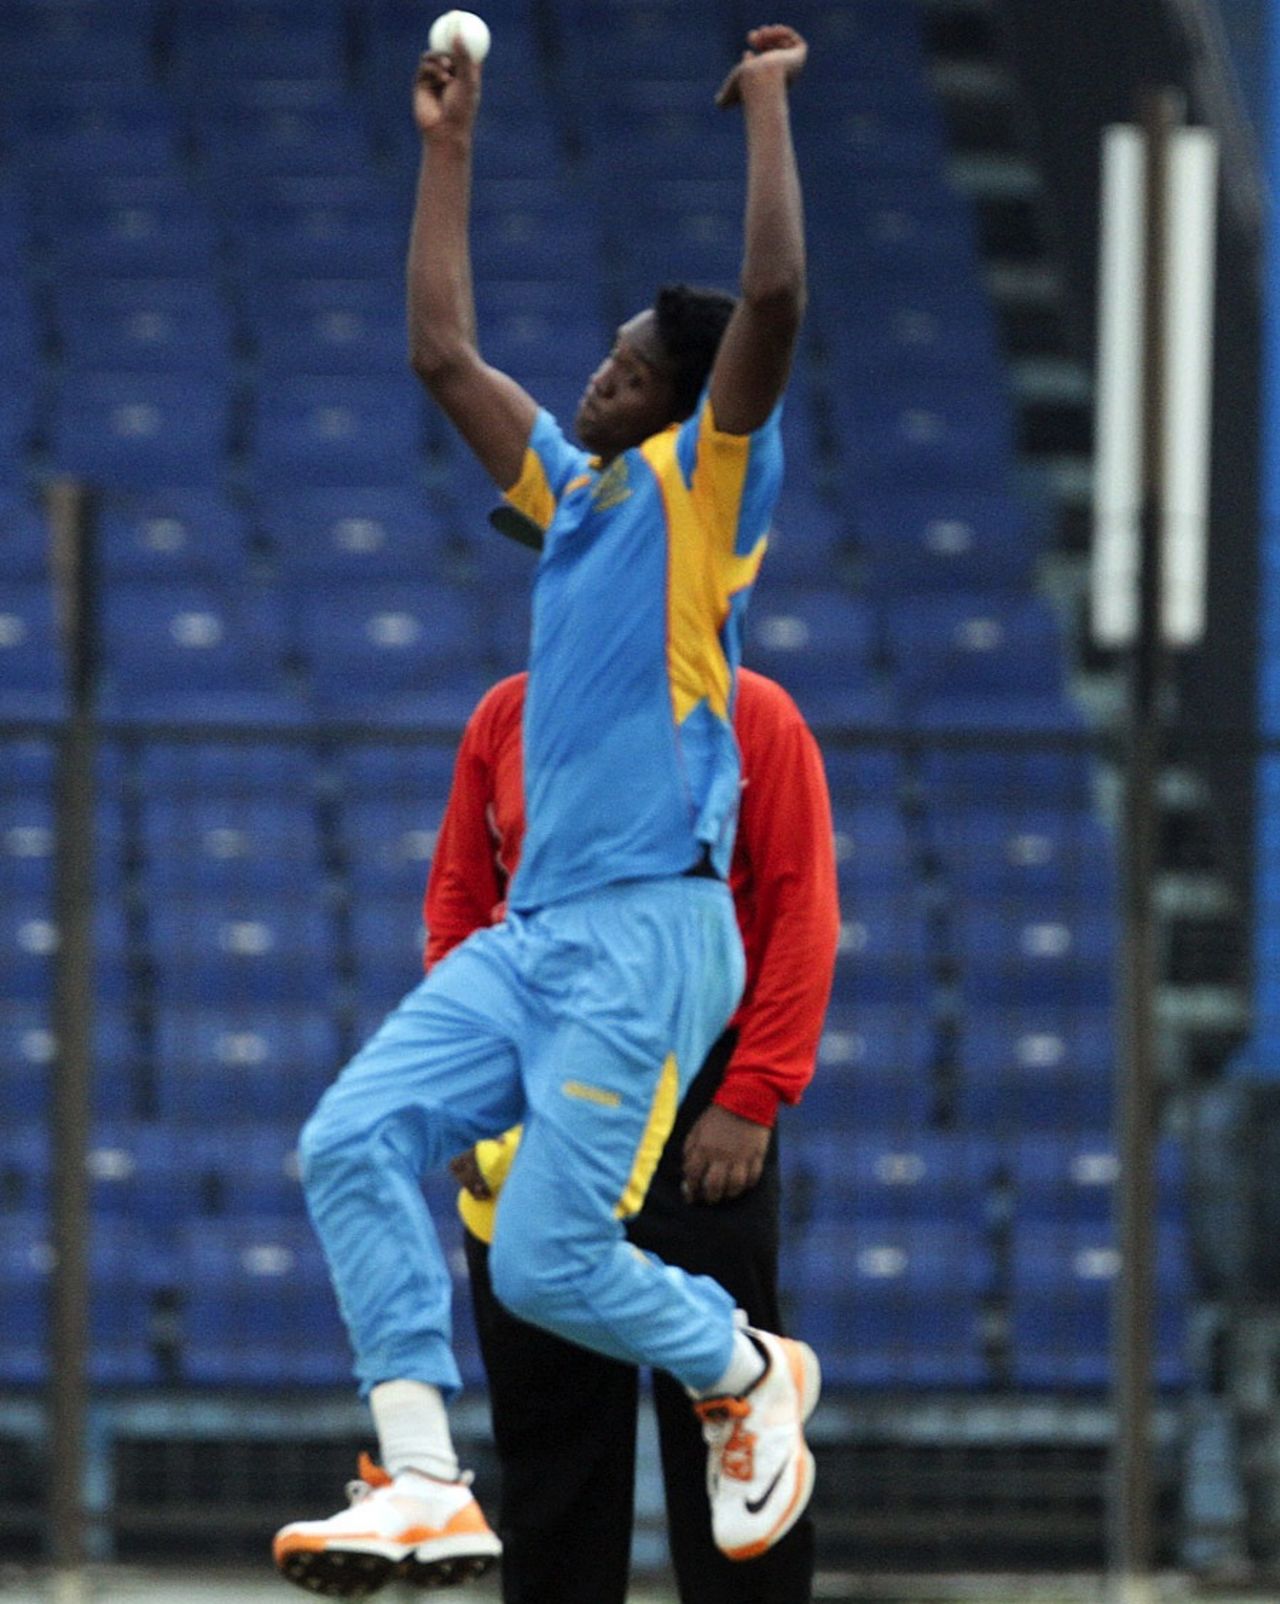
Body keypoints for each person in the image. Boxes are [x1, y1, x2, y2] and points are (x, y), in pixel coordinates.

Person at [273, 20, 809, 1600]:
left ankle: (745, 1365)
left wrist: (768, 107)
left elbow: (770, 301)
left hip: (651, 928)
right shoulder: (573, 500)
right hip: (537, 934)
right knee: (351, 1138)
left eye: (638, 362)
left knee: (555, 1263)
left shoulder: (708, 492)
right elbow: (443, 353)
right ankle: (424, 1476)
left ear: (688, 396)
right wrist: (451, 140)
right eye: (613, 351)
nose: (605, 369)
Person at [432, 665, 839, 1604]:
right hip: (531, 1087)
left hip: (702, 1094)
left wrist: (751, 1095)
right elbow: (460, 903)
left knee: (736, 1440)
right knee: (548, 1445)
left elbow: (800, 908)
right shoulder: (503, 713)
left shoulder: (757, 714)